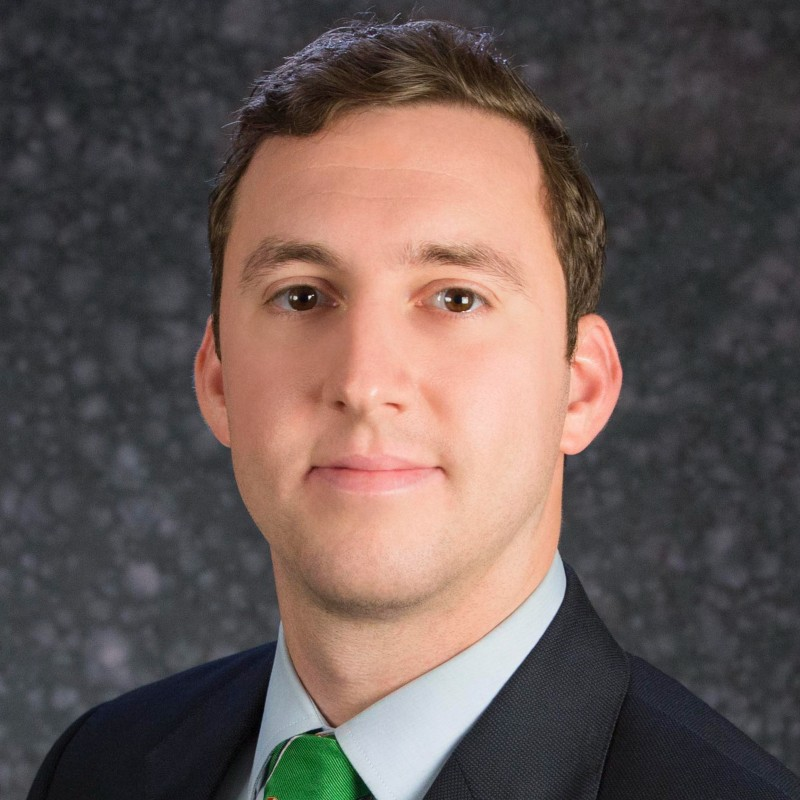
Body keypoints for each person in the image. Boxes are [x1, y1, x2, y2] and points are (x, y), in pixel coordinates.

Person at [28, 19, 800, 800]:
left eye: (455, 298)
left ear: (582, 388)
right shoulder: (98, 768)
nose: (364, 381)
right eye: (302, 296)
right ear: (218, 380)